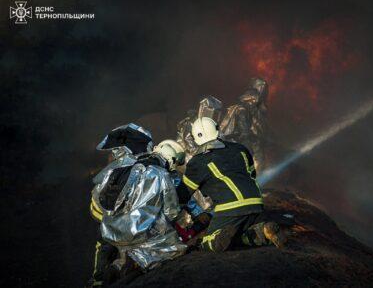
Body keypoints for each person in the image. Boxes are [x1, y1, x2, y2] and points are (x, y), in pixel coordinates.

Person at [179, 117, 286, 252]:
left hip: (230, 208)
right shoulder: (240, 149)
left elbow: (182, 196)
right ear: (217, 130)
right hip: (256, 204)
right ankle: (263, 230)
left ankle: (215, 240)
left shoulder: (197, 162)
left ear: (195, 139)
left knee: (207, 243)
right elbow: (251, 175)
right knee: (241, 237)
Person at [99, 138, 188, 282]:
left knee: (128, 247)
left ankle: (118, 266)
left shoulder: (125, 168)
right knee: (175, 250)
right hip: (138, 232)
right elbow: (172, 211)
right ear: (170, 161)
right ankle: (140, 266)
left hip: (111, 231)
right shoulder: (162, 174)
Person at [88, 123, 152, 287]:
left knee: (107, 246)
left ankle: (105, 275)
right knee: (105, 245)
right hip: (106, 215)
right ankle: (100, 278)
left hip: (111, 216)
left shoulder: (126, 167)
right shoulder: (119, 170)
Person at [220, 77, 269, 171]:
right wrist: (247, 142)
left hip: (247, 144)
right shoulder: (242, 109)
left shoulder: (251, 110)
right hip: (240, 145)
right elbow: (244, 129)